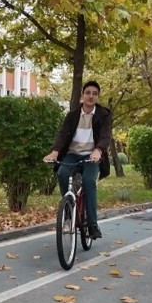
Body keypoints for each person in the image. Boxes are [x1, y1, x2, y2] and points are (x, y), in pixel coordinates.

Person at [43, 80, 112, 239]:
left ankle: (93, 225)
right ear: (82, 95)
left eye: (94, 94)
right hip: (72, 154)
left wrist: (98, 151)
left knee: (88, 181)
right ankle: (68, 215)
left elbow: (105, 135)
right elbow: (62, 134)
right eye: (88, 93)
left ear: (98, 97)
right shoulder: (72, 115)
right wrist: (55, 152)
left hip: (91, 156)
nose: (91, 96)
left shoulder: (103, 115)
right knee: (62, 173)